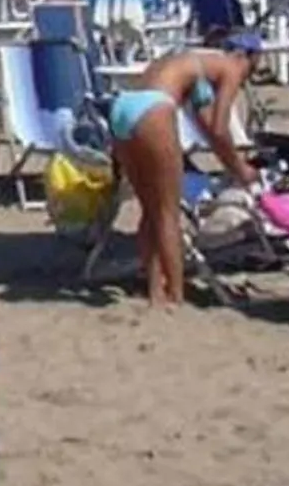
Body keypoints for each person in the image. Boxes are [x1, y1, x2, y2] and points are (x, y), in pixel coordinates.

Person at [107, 37, 260, 307]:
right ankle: (176, 295)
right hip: (153, 109)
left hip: (123, 107)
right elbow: (220, 129)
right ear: (249, 56)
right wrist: (242, 169)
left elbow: (208, 128)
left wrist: (232, 163)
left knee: (150, 212)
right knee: (167, 214)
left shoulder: (191, 60)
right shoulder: (232, 68)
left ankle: (155, 291)